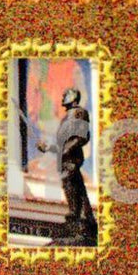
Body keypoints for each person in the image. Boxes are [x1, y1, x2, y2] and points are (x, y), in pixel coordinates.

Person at [37, 87, 97, 245]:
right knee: (70, 186)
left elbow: (82, 137)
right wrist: (47, 148)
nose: (63, 96)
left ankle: (79, 216)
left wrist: (67, 150)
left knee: (73, 185)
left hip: (72, 159)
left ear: (74, 97)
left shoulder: (79, 112)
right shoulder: (65, 119)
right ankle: (79, 216)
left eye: (66, 94)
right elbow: (61, 144)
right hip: (64, 159)